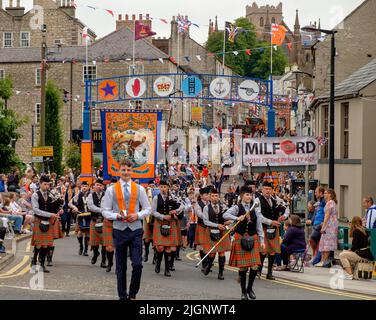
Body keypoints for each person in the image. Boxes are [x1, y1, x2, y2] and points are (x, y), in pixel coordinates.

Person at [102, 158, 152, 300]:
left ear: (132, 171)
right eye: (123, 170)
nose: (126, 172)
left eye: (128, 170)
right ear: (119, 170)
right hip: (119, 230)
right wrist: (116, 216)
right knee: (120, 267)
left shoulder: (140, 189)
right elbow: (105, 211)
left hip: (135, 230)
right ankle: (122, 296)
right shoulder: (111, 190)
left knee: (137, 264)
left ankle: (133, 293)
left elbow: (148, 209)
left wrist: (137, 215)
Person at [224, 186, 265, 299]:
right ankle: (243, 292)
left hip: (253, 237)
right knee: (242, 267)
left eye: (250, 195)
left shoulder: (255, 208)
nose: (249, 197)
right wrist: (237, 218)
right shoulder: (237, 208)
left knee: (255, 266)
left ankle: (250, 288)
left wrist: (262, 240)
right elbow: (225, 215)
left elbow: (259, 225)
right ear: (242, 196)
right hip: (240, 237)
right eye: (247, 195)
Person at [254, 181, 289, 280]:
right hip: (262, 228)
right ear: (262, 190)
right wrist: (270, 222)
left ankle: (269, 273)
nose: (268, 191)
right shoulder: (257, 201)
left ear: (272, 190)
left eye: (270, 189)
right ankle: (258, 271)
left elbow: (287, 207)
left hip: (274, 229)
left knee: (273, 251)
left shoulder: (276, 199)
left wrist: (284, 216)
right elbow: (258, 216)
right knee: (263, 250)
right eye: (266, 189)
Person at [151, 180, 184, 277]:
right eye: (161, 187)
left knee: (169, 247)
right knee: (160, 247)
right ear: (159, 187)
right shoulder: (156, 198)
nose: (163, 189)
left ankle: (167, 269)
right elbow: (153, 211)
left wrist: (175, 211)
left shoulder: (173, 197)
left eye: (165, 187)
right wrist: (162, 216)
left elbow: (183, 206)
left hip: (171, 223)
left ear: (168, 188)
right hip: (160, 222)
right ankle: (158, 263)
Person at [30, 175, 62, 273]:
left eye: (48, 184)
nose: (47, 186)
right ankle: (34, 261)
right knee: (39, 244)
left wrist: (59, 210)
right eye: (45, 184)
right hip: (39, 220)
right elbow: (36, 210)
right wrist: (50, 214)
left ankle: (42, 265)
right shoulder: (35, 195)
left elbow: (57, 204)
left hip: (48, 221)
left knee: (46, 244)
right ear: (40, 184)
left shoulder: (51, 194)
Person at [202, 188, 232, 280]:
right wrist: (217, 225)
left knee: (221, 252)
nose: (215, 198)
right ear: (210, 197)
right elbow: (206, 222)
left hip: (222, 231)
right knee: (212, 254)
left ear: (218, 197)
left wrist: (228, 222)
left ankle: (221, 273)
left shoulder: (223, 207)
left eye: (216, 196)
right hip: (211, 231)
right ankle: (208, 266)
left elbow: (227, 218)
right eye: (213, 196)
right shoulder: (206, 208)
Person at [87, 178, 107, 268]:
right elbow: (91, 207)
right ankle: (96, 253)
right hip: (94, 221)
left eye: (101, 185)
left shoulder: (106, 195)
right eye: (97, 185)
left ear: (103, 187)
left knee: (104, 242)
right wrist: (102, 210)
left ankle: (103, 261)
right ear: (94, 186)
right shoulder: (90, 195)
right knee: (94, 242)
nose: (99, 187)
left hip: (104, 222)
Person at [316, 189, 338, 267]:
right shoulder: (332, 203)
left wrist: (324, 226)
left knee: (326, 244)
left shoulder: (329, 203)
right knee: (325, 243)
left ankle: (324, 261)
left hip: (329, 226)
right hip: (332, 225)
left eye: (326, 193)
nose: (324, 194)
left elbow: (327, 216)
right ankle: (322, 260)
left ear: (330, 194)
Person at [69, 181, 91, 256]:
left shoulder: (90, 195)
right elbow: (70, 203)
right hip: (80, 215)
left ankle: (86, 250)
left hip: (89, 215)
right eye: (83, 186)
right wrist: (74, 207)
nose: (84, 188)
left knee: (88, 232)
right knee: (80, 232)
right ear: (81, 187)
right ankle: (81, 246)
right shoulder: (78, 195)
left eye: (86, 186)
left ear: (88, 187)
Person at [194, 187, 211, 272]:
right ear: (201, 196)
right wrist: (208, 217)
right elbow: (199, 214)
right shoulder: (198, 204)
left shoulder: (211, 203)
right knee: (202, 246)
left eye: (209, 194)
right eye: (206, 194)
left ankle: (208, 263)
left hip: (209, 227)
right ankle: (204, 264)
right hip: (202, 226)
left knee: (209, 246)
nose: (208, 196)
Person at [308, 187, 326, 265]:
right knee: (317, 241)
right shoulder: (319, 202)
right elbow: (316, 213)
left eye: (316, 192)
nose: (315, 194)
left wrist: (323, 222)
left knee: (312, 239)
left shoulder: (324, 201)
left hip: (320, 224)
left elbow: (326, 213)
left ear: (321, 193)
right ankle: (315, 257)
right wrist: (312, 221)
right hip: (316, 223)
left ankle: (315, 255)